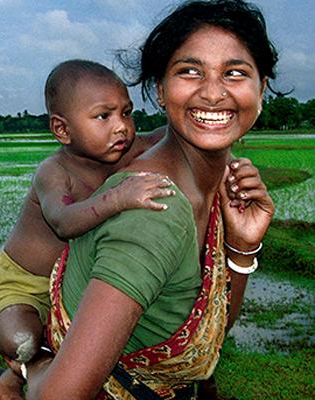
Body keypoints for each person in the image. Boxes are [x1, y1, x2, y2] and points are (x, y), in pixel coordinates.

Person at [23, 1, 276, 399]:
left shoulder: (219, 184)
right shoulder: (154, 208)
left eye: (235, 73)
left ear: (260, 88)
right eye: (189, 71)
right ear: (160, 90)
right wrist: (34, 365)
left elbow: (207, 332)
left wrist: (241, 248)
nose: (212, 93)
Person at [0, 59, 173, 399]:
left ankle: (16, 377)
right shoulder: (54, 172)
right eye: (104, 116)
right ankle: (31, 370)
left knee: (94, 336)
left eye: (126, 113)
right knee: (23, 340)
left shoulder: (124, 150)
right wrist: (118, 198)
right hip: (23, 284)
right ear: (62, 130)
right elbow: (64, 222)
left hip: (72, 284)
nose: (121, 128)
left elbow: (167, 137)